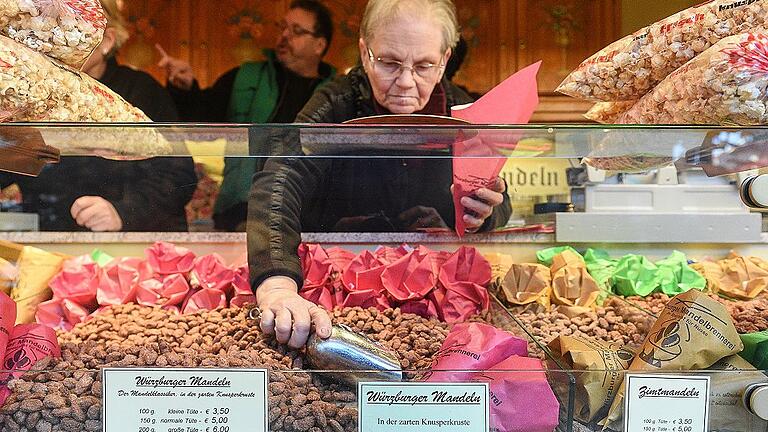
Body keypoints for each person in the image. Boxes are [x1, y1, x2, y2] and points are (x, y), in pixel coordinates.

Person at [248, 0, 512, 348]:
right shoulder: (334, 103)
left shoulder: (462, 113)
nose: (405, 82)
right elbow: (280, 177)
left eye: (423, 66)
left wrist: (487, 210)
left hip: (436, 304)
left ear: (445, 60)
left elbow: (501, 201)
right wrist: (277, 282)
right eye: (389, 62)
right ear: (364, 50)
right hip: (338, 294)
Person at [0, 0, 196, 232]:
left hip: (128, 240)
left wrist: (123, 211)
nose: (52, 35)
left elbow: (177, 172)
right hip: (51, 233)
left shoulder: (139, 89)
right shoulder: (26, 89)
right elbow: (13, 164)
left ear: (107, 41)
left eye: (68, 26)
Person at [157, 0, 336, 231]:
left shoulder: (336, 91)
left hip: (311, 215)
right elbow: (201, 115)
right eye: (283, 27)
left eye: (296, 31)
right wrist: (185, 88)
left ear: (319, 44)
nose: (284, 35)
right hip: (241, 210)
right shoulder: (246, 76)